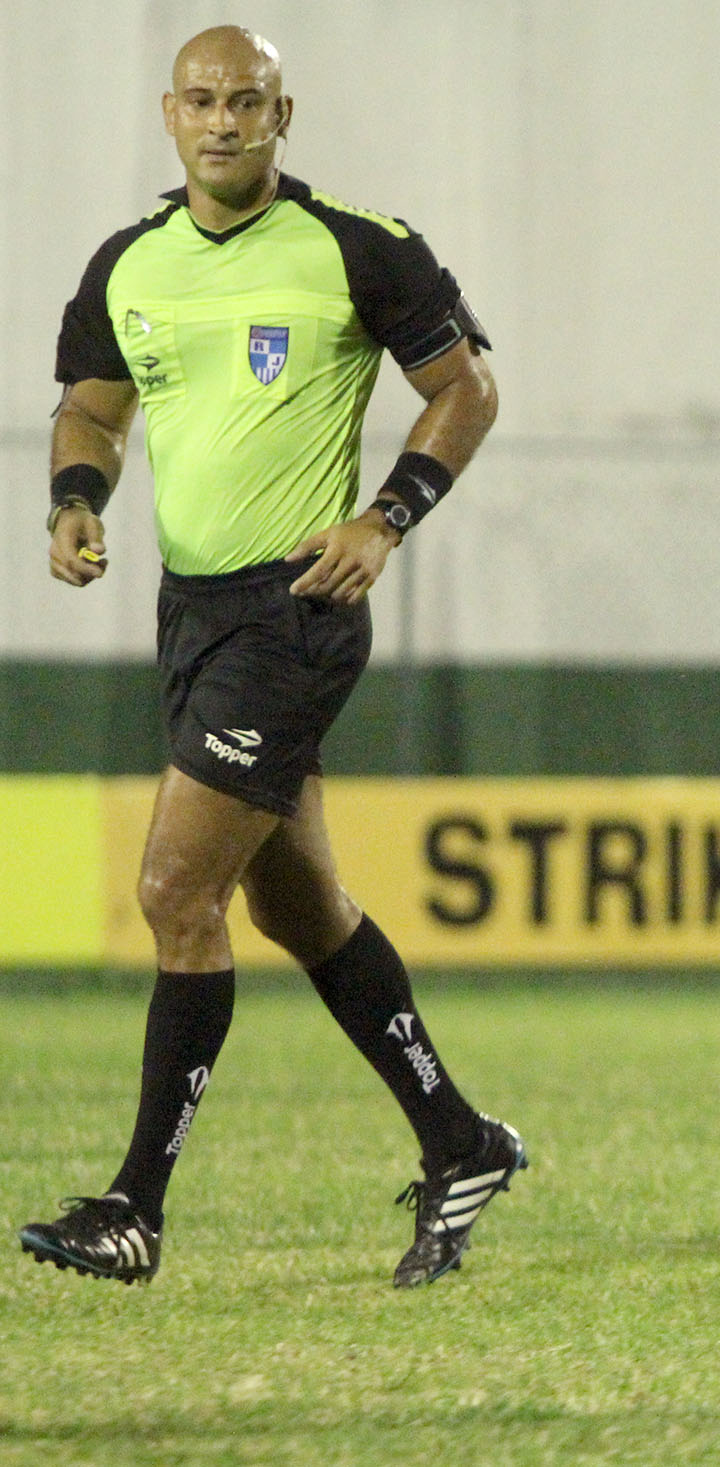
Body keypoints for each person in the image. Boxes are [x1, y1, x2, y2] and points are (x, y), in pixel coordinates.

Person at [21, 27, 523, 1291]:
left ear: (281, 114)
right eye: (202, 101)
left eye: (247, 101)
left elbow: (466, 390)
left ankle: (135, 1209)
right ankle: (460, 1141)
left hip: (295, 610)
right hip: (190, 615)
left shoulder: (358, 247)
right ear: (170, 113)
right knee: (297, 908)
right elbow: (92, 405)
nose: (224, 121)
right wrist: (75, 497)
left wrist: (386, 517)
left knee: (173, 895)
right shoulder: (127, 264)